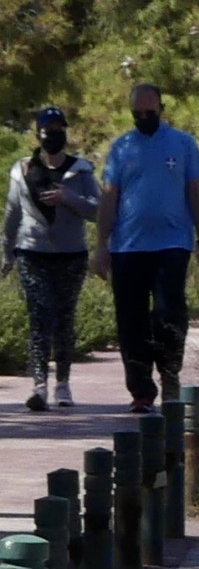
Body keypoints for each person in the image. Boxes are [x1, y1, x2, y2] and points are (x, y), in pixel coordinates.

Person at [93, 83, 199, 413]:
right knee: (131, 320)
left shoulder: (183, 144)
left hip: (172, 244)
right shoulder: (121, 148)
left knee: (168, 312)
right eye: (138, 114)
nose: (145, 117)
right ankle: (142, 390)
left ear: (162, 108)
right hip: (128, 248)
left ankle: (170, 374)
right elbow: (109, 197)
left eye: (150, 112)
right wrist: (101, 246)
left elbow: (196, 192)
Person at [2, 106, 99, 410]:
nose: (53, 134)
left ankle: (63, 385)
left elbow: (97, 210)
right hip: (32, 253)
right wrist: (6, 253)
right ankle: (39, 385)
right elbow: (12, 214)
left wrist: (68, 198)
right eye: (48, 128)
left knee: (64, 319)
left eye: (59, 128)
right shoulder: (22, 170)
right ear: (38, 133)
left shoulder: (81, 170)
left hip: (71, 255)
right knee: (39, 315)